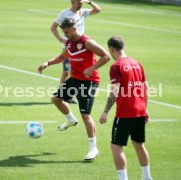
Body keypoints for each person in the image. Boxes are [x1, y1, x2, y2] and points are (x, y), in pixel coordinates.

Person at [38, 19, 110, 160]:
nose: (65, 35)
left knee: (85, 115)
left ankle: (93, 148)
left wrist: (91, 68)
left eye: (67, 32)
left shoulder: (87, 42)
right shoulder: (69, 42)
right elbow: (62, 56)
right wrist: (48, 63)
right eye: (63, 32)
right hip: (75, 79)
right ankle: (70, 119)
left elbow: (106, 56)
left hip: (89, 82)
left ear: (74, 28)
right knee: (56, 99)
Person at [99, 36, 152, 180]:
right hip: (140, 111)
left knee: (116, 146)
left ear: (111, 49)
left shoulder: (116, 66)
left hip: (125, 113)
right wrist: (145, 109)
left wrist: (105, 112)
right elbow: (145, 88)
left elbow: (115, 90)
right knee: (139, 144)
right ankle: (146, 177)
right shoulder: (137, 63)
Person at [51, 0, 101, 103]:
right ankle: (62, 94)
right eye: (79, 3)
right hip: (70, 47)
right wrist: (61, 39)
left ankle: (68, 95)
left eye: (81, 3)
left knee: (75, 72)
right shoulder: (64, 13)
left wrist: (89, 2)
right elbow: (53, 27)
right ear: (72, 2)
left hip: (82, 46)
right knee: (66, 72)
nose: (80, 5)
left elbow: (97, 10)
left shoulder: (82, 12)